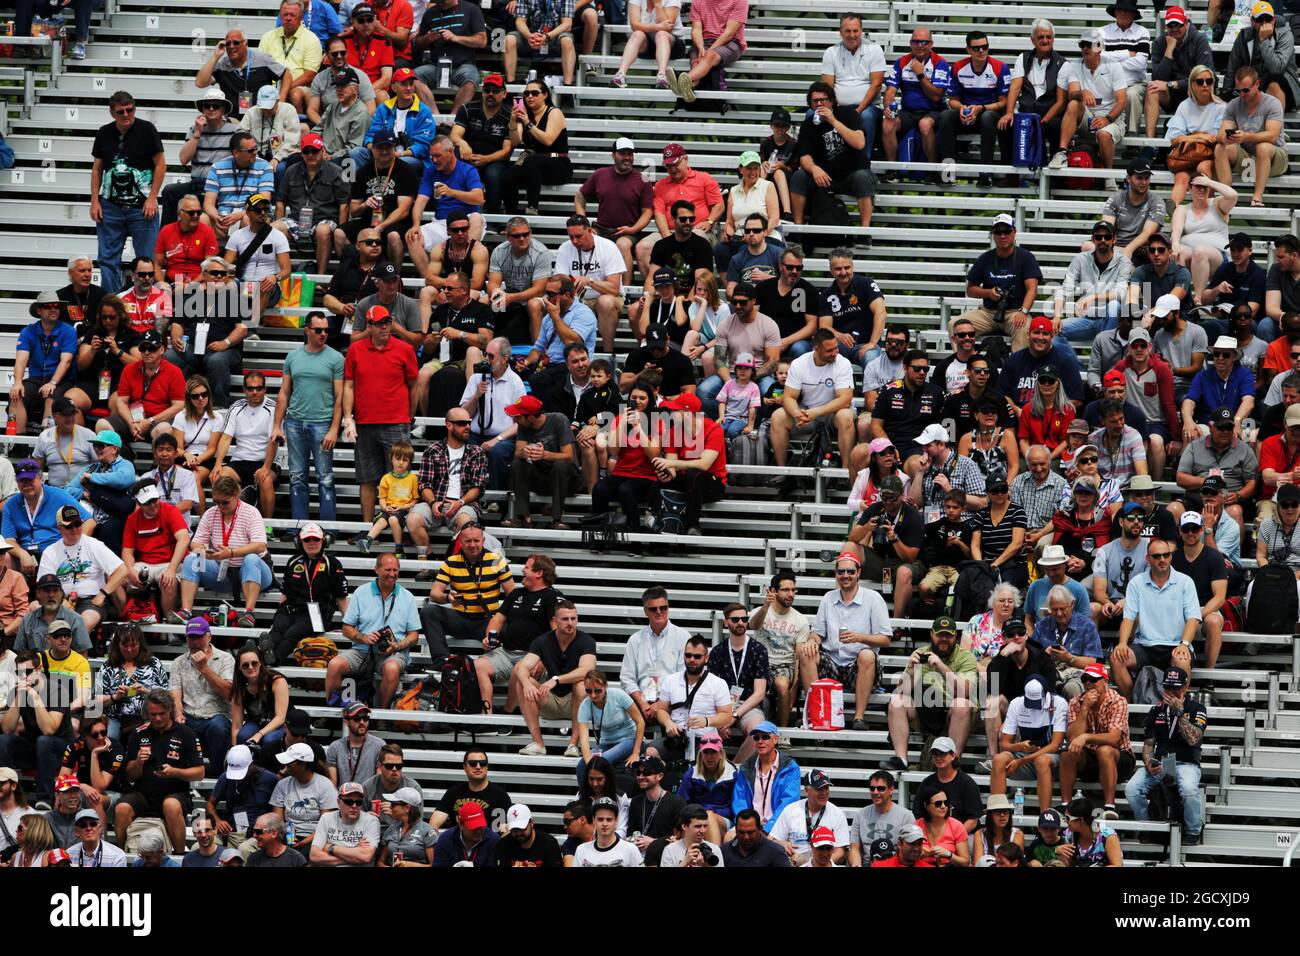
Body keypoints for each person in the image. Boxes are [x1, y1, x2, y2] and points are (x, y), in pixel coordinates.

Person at [343, 303, 418, 525]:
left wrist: (409, 415)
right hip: (364, 423)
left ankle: (397, 528)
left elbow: (415, 385)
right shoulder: (356, 350)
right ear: (370, 326)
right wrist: (348, 417)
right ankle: (368, 527)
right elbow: (348, 386)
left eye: (388, 322)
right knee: (366, 478)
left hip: (396, 421)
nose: (385, 327)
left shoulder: (405, 349)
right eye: (380, 324)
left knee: (400, 478)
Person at [805, 552, 891, 732]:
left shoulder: (873, 598)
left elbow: (885, 639)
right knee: (807, 652)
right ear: (836, 574)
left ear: (859, 572)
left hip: (859, 666)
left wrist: (860, 637)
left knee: (867, 654)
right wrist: (812, 640)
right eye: (841, 571)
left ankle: (858, 718)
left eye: (850, 571)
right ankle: (815, 714)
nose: (845, 575)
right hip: (832, 663)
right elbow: (817, 634)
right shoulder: (829, 597)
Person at [90, 92, 166, 295]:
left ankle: (146, 304)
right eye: (120, 111)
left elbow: (160, 164)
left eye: (129, 109)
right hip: (110, 206)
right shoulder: (104, 132)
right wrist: (94, 201)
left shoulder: (147, 129)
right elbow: (97, 168)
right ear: (112, 113)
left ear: (134, 108)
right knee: (107, 259)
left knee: (146, 260)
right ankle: (113, 306)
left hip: (142, 206)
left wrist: (152, 198)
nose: (126, 114)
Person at [1125, 664, 1208, 845]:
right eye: (1167, 687)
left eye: (1175, 687)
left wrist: (1179, 713)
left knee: (1188, 788)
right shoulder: (1156, 710)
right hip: (1161, 763)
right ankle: (1147, 827)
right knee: (1132, 789)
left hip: (1186, 763)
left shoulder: (1197, 708)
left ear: (1185, 686)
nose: (1170, 691)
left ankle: (1193, 830)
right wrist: (1148, 762)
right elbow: (1148, 745)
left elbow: (1194, 739)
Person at [114, 689, 205, 851]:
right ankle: (122, 855)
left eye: (161, 714)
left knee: (170, 805)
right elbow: (129, 775)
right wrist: (138, 763)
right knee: (121, 808)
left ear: (170, 709)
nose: (156, 718)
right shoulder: (138, 733)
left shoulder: (187, 734)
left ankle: (178, 855)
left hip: (175, 792)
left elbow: (199, 772)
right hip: (143, 793)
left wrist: (175, 772)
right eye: (152, 714)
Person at [175, 476, 272, 628]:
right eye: (216, 502)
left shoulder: (251, 512)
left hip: (255, 573)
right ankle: (186, 611)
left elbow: (260, 546)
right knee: (192, 559)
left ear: (236, 496)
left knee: (251, 558)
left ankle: (249, 613)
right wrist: (203, 551)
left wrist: (232, 553)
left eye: (225, 502)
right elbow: (195, 542)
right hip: (223, 571)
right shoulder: (210, 513)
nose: (220, 506)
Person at [330, 553, 420, 709]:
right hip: (362, 650)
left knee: (391, 668)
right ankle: (334, 710)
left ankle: (381, 716)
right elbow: (346, 628)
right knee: (334, 665)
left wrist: (397, 646)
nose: (392, 574)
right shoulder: (361, 592)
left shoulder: (408, 597)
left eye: (395, 570)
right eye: (388, 569)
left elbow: (414, 635)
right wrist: (363, 638)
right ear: (376, 570)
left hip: (393, 652)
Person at [885, 617, 978, 769]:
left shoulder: (965, 656)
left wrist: (941, 666)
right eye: (940, 635)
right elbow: (902, 691)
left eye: (948, 635)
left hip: (957, 715)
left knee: (961, 704)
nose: (944, 639)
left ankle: (954, 762)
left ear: (956, 636)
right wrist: (909, 669)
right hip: (927, 713)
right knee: (896, 701)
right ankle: (901, 759)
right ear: (931, 634)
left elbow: (964, 692)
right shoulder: (920, 654)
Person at [513, 601, 596, 758]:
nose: (570, 623)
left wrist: (556, 679)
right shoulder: (542, 641)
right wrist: (526, 684)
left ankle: (573, 745)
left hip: (576, 700)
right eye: (565, 619)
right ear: (554, 621)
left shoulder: (586, 641)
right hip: (549, 699)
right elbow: (522, 667)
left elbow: (586, 670)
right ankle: (538, 743)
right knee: (522, 681)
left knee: (581, 685)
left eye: (573, 618)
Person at [788, 82, 875, 231]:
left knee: (863, 177)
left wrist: (833, 121)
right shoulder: (808, 124)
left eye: (824, 99)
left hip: (851, 174)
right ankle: (799, 228)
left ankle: (865, 231)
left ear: (832, 101)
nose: (820, 104)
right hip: (824, 178)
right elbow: (804, 157)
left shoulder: (848, 113)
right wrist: (814, 168)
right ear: (810, 104)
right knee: (799, 176)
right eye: (815, 101)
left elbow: (859, 143)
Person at [405, 410, 486, 567]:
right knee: (413, 519)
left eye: (469, 423)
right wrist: (433, 502)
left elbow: (478, 487)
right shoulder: (433, 450)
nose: (467, 426)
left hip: (464, 504)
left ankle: (455, 566)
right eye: (462, 423)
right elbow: (424, 484)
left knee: (466, 524)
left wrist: (460, 502)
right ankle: (428, 561)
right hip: (437, 502)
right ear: (449, 425)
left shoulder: (477, 452)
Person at [952, 216, 1042, 351]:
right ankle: (967, 363)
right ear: (993, 235)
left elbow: (1032, 289)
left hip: (1014, 312)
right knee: (954, 325)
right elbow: (970, 290)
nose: (1002, 236)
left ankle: (1017, 370)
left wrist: (1023, 312)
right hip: (988, 313)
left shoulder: (1026, 257)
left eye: (1007, 231)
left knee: (1024, 328)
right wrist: (988, 293)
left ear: (1014, 232)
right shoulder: (985, 258)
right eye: (998, 232)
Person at [939, 31, 1013, 187]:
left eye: (984, 47)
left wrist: (981, 108)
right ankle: (948, 171)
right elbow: (952, 100)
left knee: (987, 118)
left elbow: (1004, 102)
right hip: (966, 113)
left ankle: (985, 173)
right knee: (945, 116)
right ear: (968, 50)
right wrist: (961, 109)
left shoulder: (1000, 67)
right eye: (976, 48)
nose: (981, 51)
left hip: (990, 113)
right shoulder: (959, 67)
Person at [37, 504, 125, 633]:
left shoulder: (94, 545)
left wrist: (103, 594)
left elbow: (122, 570)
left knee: (83, 623)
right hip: (59, 599)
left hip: (90, 601)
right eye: (69, 526)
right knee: (34, 608)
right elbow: (42, 584)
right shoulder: (50, 552)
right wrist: (60, 600)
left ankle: (72, 653)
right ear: (59, 528)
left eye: (77, 524)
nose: (74, 529)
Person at [988, 673, 1068, 812]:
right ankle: (997, 810)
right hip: (1024, 756)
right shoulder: (1016, 703)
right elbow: (1005, 744)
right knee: (999, 759)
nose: (1033, 707)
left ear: (1045, 694)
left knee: (1042, 761)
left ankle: (1045, 814)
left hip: (1050, 758)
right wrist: (1020, 746)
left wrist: (1022, 761)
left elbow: (1056, 745)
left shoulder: (1059, 703)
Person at [1214, 66, 1289, 208]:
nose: (1242, 94)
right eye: (1238, 90)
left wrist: (1246, 136)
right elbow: (1221, 134)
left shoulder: (1272, 103)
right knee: (1220, 148)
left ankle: (1257, 197)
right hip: (1249, 158)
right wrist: (1227, 138)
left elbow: (1273, 136)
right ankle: (1227, 195)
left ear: (1257, 84)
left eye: (1246, 90)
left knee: (1263, 147)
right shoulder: (1233, 105)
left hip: (1276, 158)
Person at [881, 27, 951, 174]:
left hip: (934, 111)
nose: (920, 45)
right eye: (916, 42)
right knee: (888, 123)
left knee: (924, 124)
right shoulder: (901, 62)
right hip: (908, 112)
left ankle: (933, 171)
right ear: (910, 43)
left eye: (924, 42)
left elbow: (936, 96)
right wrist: (888, 108)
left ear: (931, 44)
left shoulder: (940, 63)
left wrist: (920, 75)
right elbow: (890, 92)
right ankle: (893, 170)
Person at [10, 293, 77, 437]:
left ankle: (47, 445)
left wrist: (53, 382)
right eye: (48, 306)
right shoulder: (28, 331)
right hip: (37, 379)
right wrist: (17, 382)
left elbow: (66, 361)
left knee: (50, 399)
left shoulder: (68, 330)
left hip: (62, 380)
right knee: (16, 394)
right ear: (39, 311)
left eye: (56, 306)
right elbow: (21, 360)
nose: (53, 309)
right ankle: (18, 445)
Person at [1055, 222, 1135, 343]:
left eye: (1107, 237)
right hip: (1087, 319)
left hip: (1112, 321)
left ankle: (1106, 348)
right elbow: (1065, 289)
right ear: (1093, 239)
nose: (1103, 240)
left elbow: (1120, 293)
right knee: (1053, 331)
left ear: (1114, 239)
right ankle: (1075, 363)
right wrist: (1057, 316)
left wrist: (1094, 297)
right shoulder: (1081, 259)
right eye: (1098, 237)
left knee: (1114, 305)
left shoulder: (1123, 262)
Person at [518, 278, 597, 398]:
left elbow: (572, 344)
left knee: (538, 380)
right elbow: (538, 348)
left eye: (551, 294)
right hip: (550, 366)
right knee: (516, 374)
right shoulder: (548, 318)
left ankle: (550, 414)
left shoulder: (583, 313)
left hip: (573, 366)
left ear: (566, 295)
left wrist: (555, 316)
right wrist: (526, 362)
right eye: (546, 293)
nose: (546, 298)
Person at [501, 80, 570, 216]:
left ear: (545, 95)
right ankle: (511, 215)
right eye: (526, 93)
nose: (530, 97)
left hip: (558, 164)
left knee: (533, 160)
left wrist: (527, 123)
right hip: (532, 166)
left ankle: (532, 207)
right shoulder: (525, 114)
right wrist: (513, 121)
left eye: (535, 93)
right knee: (507, 174)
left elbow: (548, 140)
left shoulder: (554, 112)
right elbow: (515, 141)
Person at [661, 0, 748, 103]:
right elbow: (696, 30)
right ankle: (689, 86)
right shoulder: (698, 1)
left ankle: (684, 78)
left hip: (731, 42)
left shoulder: (739, 1)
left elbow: (729, 33)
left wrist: (709, 50)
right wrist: (701, 47)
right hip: (704, 41)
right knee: (697, 61)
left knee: (709, 56)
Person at [270, 742, 337, 853]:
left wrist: (302, 843)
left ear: (303, 764)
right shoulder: (282, 785)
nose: (286, 768)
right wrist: (287, 837)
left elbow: (326, 825)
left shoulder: (325, 785)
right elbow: (278, 820)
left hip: (316, 837)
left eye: (289, 764)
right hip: (288, 835)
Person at [428, 748, 513, 831]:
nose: (478, 767)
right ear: (465, 767)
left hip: (489, 843)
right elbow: (433, 824)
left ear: (487, 767)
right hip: (459, 843)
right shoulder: (454, 792)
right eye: (473, 763)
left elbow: (504, 831)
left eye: (483, 763)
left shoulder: (499, 795)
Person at [309, 780, 382, 866]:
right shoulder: (326, 818)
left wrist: (331, 848)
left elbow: (365, 857)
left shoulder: (371, 821)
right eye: (349, 802)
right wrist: (355, 852)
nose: (354, 806)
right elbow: (314, 856)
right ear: (338, 802)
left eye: (358, 802)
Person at [571, 796, 643, 866]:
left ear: (616, 820)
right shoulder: (581, 850)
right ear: (593, 820)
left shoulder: (630, 850)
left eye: (609, 819)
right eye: (600, 819)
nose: (604, 824)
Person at [915, 784, 971, 867]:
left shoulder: (957, 826)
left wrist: (949, 854)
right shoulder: (916, 826)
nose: (943, 806)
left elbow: (965, 862)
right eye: (938, 804)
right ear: (926, 805)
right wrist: (918, 854)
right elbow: (905, 858)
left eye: (946, 803)